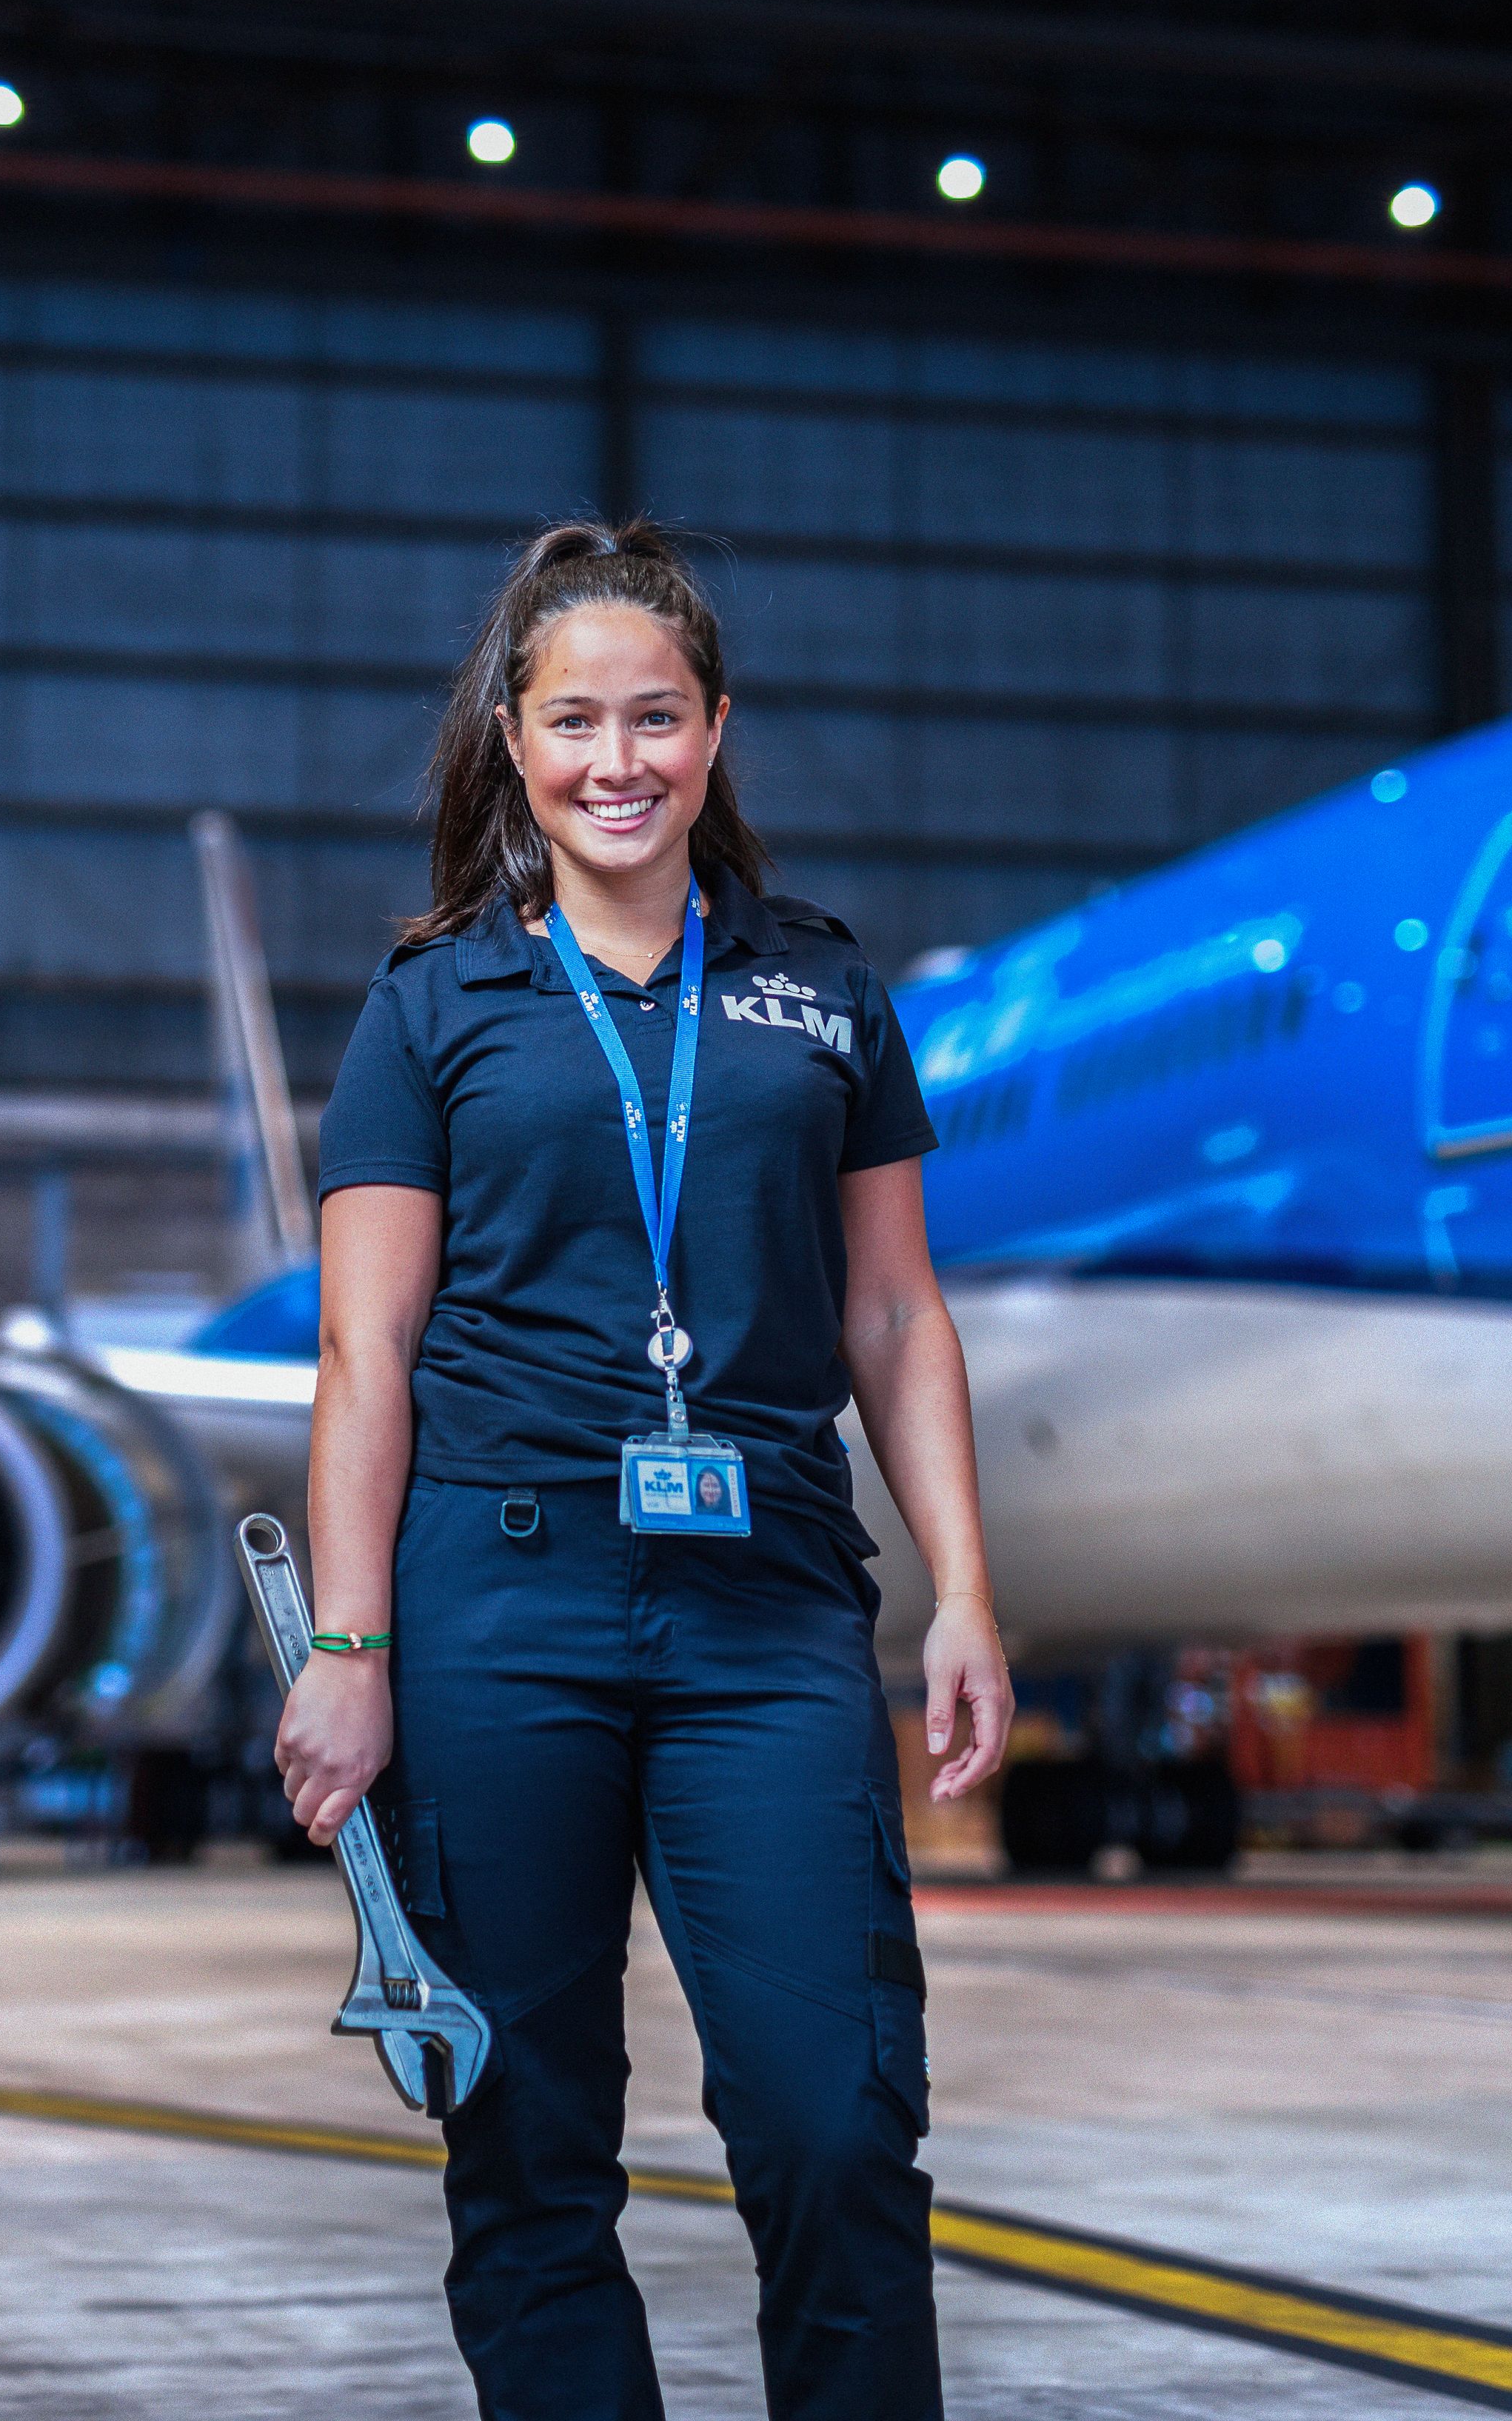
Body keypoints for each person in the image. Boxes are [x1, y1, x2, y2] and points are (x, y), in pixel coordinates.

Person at [276, 519, 1013, 2421]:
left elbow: (897, 1322)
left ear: (716, 734)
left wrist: (966, 1600)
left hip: (768, 1611)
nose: (622, 760)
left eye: (659, 718)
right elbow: (366, 1354)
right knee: (528, 2152)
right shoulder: (432, 1008)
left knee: (839, 2124)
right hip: (498, 1598)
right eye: (577, 719)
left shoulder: (822, 995)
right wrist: (347, 1648)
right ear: (515, 744)